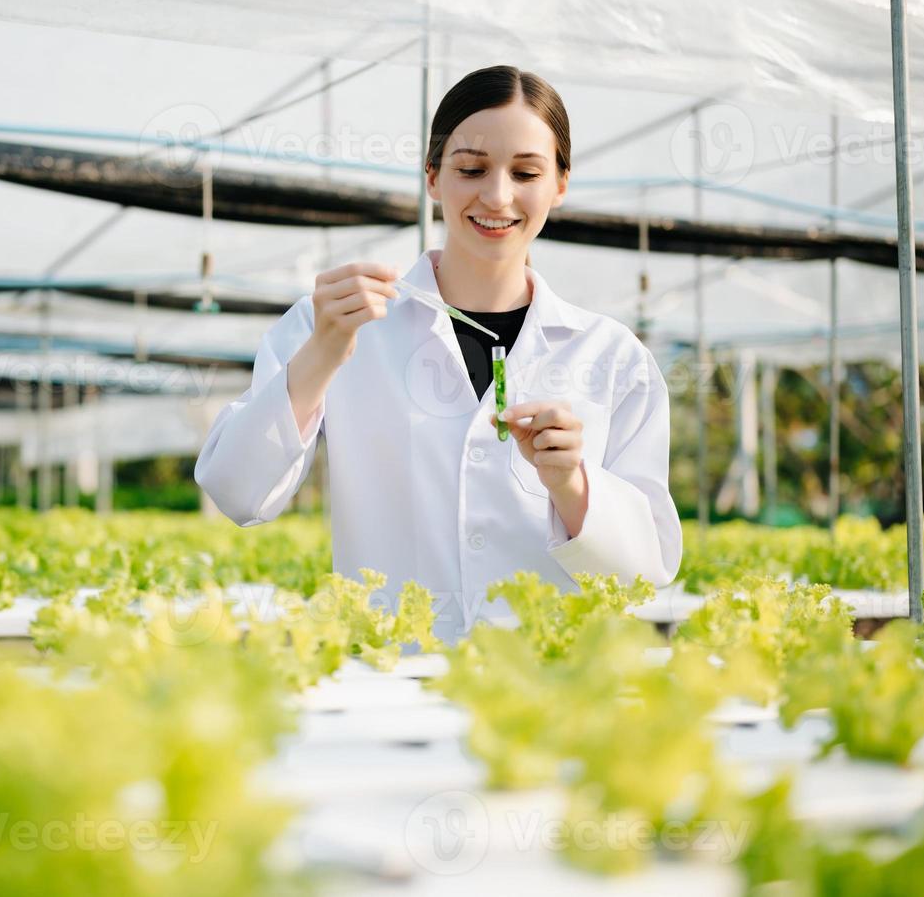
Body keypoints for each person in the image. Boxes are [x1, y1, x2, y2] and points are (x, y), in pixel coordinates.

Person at [194, 65, 681, 644]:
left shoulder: (613, 358)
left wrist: (573, 487)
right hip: (390, 683)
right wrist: (322, 354)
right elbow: (236, 491)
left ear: (560, 184)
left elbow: (646, 572)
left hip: (550, 688)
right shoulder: (333, 325)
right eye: (471, 169)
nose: (497, 196)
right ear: (432, 176)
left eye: (526, 172)